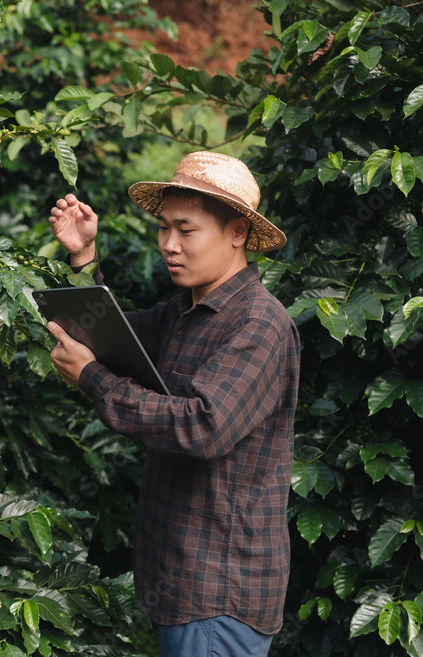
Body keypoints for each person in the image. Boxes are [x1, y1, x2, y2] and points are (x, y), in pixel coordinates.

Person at [45, 151, 300, 657]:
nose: (169, 245)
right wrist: (82, 259)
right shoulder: (184, 311)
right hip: (183, 579)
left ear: (236, 232)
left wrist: (94, 379)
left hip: (218, 590)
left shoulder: (258, 324)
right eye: (163, 229)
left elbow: (203, 427)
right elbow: (113, 339)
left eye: (186, 230)